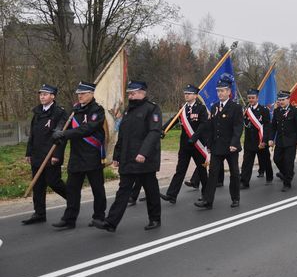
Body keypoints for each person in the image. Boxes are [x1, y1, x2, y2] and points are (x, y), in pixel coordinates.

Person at [94, 80, 162, 232]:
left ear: (142, 92)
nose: (130, 96)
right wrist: (117, 156)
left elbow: (154, 133)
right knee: (123, 191)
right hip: (127, 158)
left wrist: (143, 153)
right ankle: (111, 222)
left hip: (144, 159)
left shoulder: (152, 109)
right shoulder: (127, 111)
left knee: (151, 190)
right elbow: (123, 135)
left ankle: (155, 218)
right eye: (129, 93)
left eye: (133, 93)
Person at [52, 81, 106, 229]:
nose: (80, 96)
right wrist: (58, 130)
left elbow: (87, 129)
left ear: (91, 94)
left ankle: (99, 217)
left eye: (83, 93)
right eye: (78, 94)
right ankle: (69, 219)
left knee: (97, 189)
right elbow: (64, 124)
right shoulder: (75, 110)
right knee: (72, 190)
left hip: (92, 156)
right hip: (76, 157)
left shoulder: (97, 110)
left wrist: (65, 133)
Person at [192, 74, 243, 209]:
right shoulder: (214, 107)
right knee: (213, 173)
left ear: (229, 92)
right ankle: (208, 201)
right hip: (216, 147)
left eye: (223, 90)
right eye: (218, 91)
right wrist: (209, 145)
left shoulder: (236, 108)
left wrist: (234, 143)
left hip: (230, 147)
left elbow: (238, 128)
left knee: (234, 173)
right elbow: (211, 127)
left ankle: (235, 198)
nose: (220, 93)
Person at [22, 84, 68, 225]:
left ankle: (73, 200)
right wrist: (28, 153)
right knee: (38, 185)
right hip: (37, 154)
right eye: (40, 94)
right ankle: (39, 213)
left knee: (54, 182)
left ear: (53, 96)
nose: (42, 96)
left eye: (45, 94)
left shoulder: (60, 113)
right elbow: (33, 135)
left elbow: (62, 136)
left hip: (50, 155)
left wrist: (57, 155)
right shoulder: (37, 112)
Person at [159, 84, 209, 205]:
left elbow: (204, 125)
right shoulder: (183, 108)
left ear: (195, 95)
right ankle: (172, 195)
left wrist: (194, 137)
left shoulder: (201, 108)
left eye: (189, 93)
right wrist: (163, 129)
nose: (186, 95)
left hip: (197, 145)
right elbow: (174, 119)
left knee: (202, 170)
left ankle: (207, 195)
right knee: (180, 170)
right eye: (185, 93)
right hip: (185, 145)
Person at [269, 91, 297, 192]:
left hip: (291, 141)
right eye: (279, 100)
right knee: (276, 159)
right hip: (280, 140)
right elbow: (273, 127)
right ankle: (287, 173)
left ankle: (287, 182)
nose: (281, 102)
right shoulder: (277, 111)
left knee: (288, 162)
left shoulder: (295, 110)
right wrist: (271, 139)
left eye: (283, 100)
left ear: (288, 99)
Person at [240, 88, 272, 189]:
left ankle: (269, 177)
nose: (251, 100)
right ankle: (244, 182)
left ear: (257, 98)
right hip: (249, 141)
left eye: (253, 98)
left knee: (265, 160)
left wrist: (264, 140)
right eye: (249, 98)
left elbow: (267, 126)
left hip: (260, 140)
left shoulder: (264, 110)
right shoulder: (246, 110)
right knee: (247, 162)